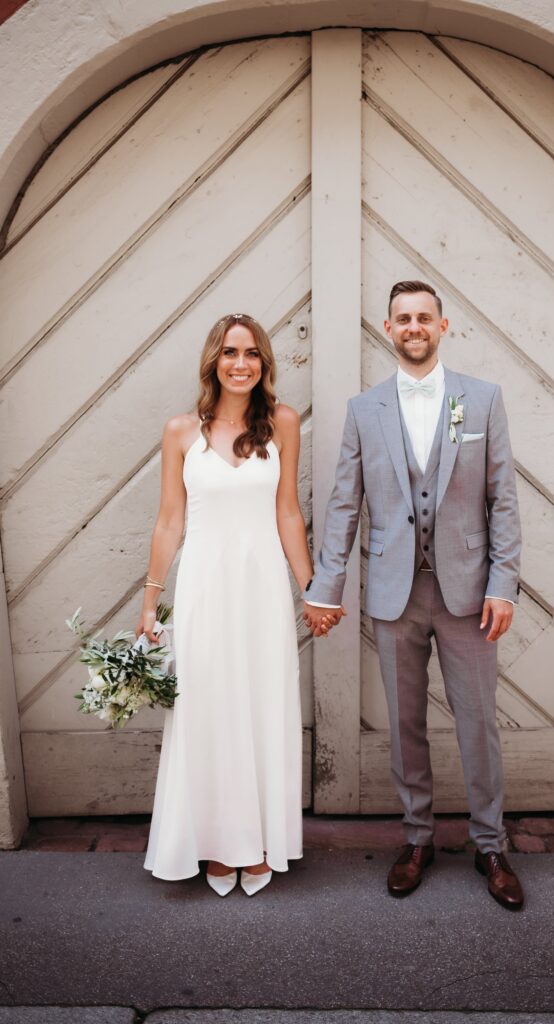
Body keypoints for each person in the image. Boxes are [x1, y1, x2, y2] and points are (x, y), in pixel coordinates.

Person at [304, 281, 524, 910]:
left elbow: (502, 498)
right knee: (405, 727)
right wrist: (327, 584)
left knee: (479, 724)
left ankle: (490, 844)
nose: (414, 326)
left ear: (443, 325)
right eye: (403, 318)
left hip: (470, 594)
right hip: (395, 592)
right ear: (388, 327)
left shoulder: (482, 400)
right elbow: (345, 503)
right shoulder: (363, 409)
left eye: (424, 317)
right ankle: (417, 838)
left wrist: (503, 583)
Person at [139, 313, 335, 895]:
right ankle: (217, 844)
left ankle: (259, 841)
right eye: (230, 352)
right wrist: (150, 601)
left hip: (260, 587)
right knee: (208, 709)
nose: (241, 363)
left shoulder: (283, 423)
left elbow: (288, 514)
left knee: (259, 705)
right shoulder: (180, 431)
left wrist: (314, 590)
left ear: (265, 364)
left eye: (252, 353)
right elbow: (170, 521)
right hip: (202, 586)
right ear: (214, 362)